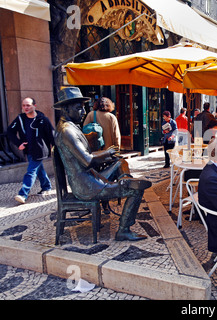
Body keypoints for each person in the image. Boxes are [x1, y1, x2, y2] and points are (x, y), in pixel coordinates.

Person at [53, 87, 152, 241]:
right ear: (66, 108)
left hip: (89, 177)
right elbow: (87, 160)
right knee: (136, 190)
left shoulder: (68, 126)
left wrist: (106, 156)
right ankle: (123, 230)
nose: (83, 112)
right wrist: (107, 153)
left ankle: (125, 180)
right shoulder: (67, 131)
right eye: (79, 108)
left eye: (84, 108)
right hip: (86, 186)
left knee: (120, 162)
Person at [7, 97, 55, 204]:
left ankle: (23, 194)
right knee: (39, 169)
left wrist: (55, 148)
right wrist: (19, 143)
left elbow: (52, 135)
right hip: (28, 150)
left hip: (40, 150)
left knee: (31, 171)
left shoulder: (43, 120)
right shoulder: (20, 119)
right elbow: (10, 131)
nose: (25, 108)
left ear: (34, 106)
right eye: (24, 105)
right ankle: (46, 187)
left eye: (28, 105)